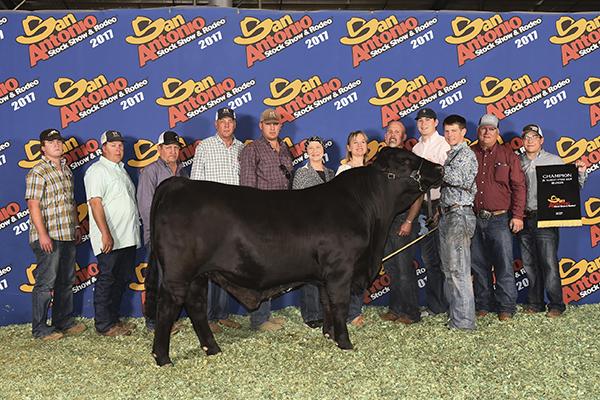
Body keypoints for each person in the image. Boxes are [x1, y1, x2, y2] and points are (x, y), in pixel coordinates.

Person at [518, 124, 587, 318]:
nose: (530, 140)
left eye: (534, 136)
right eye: (526, 137)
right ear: (523, 141)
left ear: (541, 140)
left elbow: (570, 189)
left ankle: (556, 304)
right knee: (529, 264)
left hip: (546, 218)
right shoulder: (516, 162)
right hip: (523, 217)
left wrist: (580, 172)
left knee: (548, 263)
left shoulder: (554, 160)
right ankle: (535, 302)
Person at [25, 128, 86, 341]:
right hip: (48, 234)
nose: (57, 145)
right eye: (51, 142)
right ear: (43, 147)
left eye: (59, 141)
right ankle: (40, 328)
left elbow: (70, 202)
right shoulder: (38, 171)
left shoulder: (67, 170)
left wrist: (77, 227)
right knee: (46, 282)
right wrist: (42, 235)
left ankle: (63, 322)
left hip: (67, 233)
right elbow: (33, 205)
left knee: (66, 281)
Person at [190, 107, 244, 332]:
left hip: (236, 218)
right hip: (211, 217)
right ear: (216, 125)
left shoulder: (242, 148)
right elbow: (195, 183)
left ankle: (222, 313)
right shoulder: (204, 147)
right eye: (222, 121)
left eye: (230, 121)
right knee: (210, 266)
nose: (226, 125)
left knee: (229, 266)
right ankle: (208, 317)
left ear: (235, 124)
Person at [239, 108, 292, 332]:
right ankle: (259, 319)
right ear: (261, 126)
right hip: (262, 217)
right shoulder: (252, 150)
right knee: (261, 268)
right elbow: (248, 187)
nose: (272, 127)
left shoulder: (285, 149)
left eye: (276, 124)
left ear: (280, 127)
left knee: (274, 267)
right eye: (268, 124)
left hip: (283, 216)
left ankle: (266, 314)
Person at [84, 130, 141, 336]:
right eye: (113, 145)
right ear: (103, 148)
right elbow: (95, 203)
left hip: (127, 237)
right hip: (110, 238)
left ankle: (114, 321)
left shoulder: (120, 170)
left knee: (121, 279)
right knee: (107, 279)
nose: (119, 148)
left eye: (120, 145)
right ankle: (103, 324)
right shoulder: (97, 170)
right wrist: (105, 234)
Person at [471, 114, 526, 321]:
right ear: (478, 131)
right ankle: (483, 304)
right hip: (475, 218)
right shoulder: (469, 153)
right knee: (478, 264)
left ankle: (506, 307)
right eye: (484, 128)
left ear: (497, 133)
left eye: (491, 129)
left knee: (503, 264)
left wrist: (518, 216)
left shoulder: (508, 155)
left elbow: (519, 187)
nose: (487, 132)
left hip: (500, 219)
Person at [137, 130, 188, 333]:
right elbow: (145, 206)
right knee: (156, 278)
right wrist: (156, 235)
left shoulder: (183, 172)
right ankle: (152, 321)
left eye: (176, 148)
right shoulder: (151, 171)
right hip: (159, 236)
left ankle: (167, 318)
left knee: (171, 279)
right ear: (159, 149)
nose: (173, 151)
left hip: (179, 237)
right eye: (168, 147)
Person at [379, 121, 423, 325]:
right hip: (384, 222)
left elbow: (418, 194)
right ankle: (395, 308)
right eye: (390, 132)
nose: (393, 135)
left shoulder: (411, 161)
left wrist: (409, 220)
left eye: (397, 132)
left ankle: (411, 312)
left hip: (402, 220)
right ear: (385, 136)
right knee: (391, 268)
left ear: (404, 137)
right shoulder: (379, 161)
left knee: (405, 269)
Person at [438, 115, 478, 330]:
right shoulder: (451, 155)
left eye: (454, 131)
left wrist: (437, 172)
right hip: (448, 214)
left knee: (459, 270)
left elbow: (463, 181)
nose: (450, 135)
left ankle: (464, 322)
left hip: (459, 214)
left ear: (463, 132)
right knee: (449, 270)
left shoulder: (466, 154)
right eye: (447, 131)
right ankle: (456, 316)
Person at [292, 136, 335, 329]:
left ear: (323, 151)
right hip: (308, 228)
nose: (315, 151)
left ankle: (326, 310)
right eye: (311, 148)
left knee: (324, 271)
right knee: (309, 271)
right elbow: (297, 203)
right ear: (306, 152)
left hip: (328, 230)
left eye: (318, 147)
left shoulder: (331, 173)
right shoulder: (301, 174)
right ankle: (311, 314)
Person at [412, 108, 451, 316]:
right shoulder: (417, 149)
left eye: (427, 120)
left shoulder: (444, 145)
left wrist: (441, 208)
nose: (423, 123)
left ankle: (450, 304)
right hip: (423, 207)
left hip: (440, 204)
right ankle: (436, 306)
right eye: (420, 120)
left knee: (446, 258)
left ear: (436, 123)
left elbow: (448, 179)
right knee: (429, 259)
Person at [334, 130, 371, 327]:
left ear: (367, 147)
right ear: (348, 147)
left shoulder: (372, 172)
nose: (358, 145)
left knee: (361, 270)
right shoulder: (343, 171)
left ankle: (355, 311)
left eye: (362, 142)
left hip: (367, 228)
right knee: (346, 270)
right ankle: (345, 311)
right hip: (347, 229)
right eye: (354, 142)